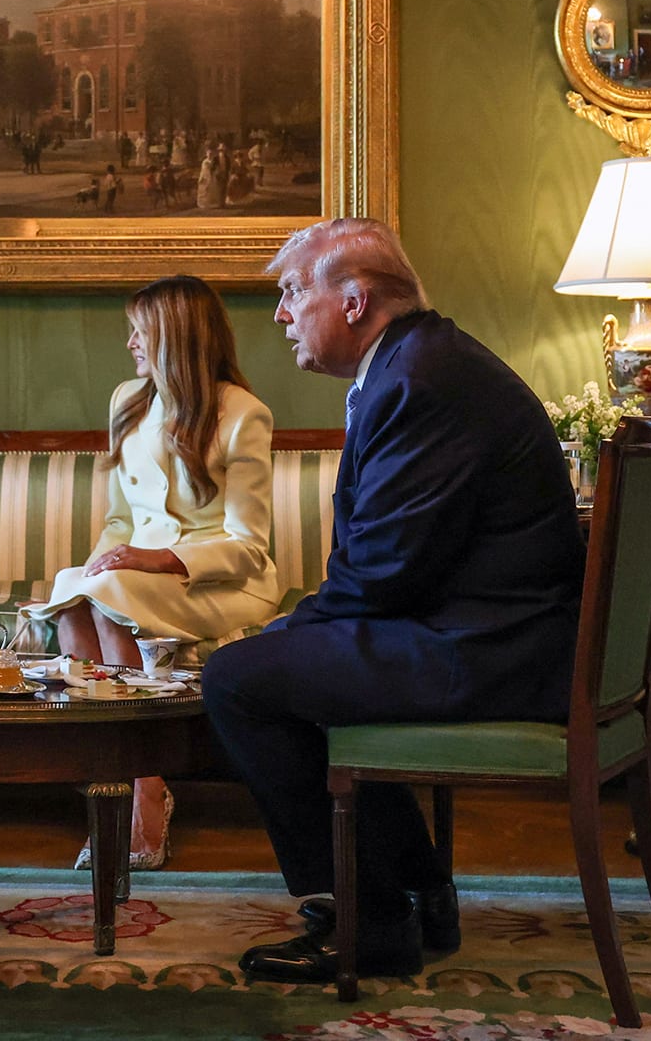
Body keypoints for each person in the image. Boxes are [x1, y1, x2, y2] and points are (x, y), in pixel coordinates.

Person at [202, 218, 585, 983]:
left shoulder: (419, 380)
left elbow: (381, 569)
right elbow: (397, 560)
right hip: (487, 632)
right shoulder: (419, 363)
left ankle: (374, 919)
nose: (280, 315)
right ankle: (413, 886)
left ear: (352, 300)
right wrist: (302, 627)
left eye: (290, 292)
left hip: (489, 652)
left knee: (239, 679)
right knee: (288, 663)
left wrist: (291, 627)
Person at [24, 275, 279, 870]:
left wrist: (155, 559)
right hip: (135, 581)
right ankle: (128, 785)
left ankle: (141, 798)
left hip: (221, 586)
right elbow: (118, 522)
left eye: (141, 331)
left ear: (177, 335)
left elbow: (249, 545)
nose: (132, 343)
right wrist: (91, 575)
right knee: (81, 594)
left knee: (111, 594)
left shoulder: (243, 415)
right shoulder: (127, 401)